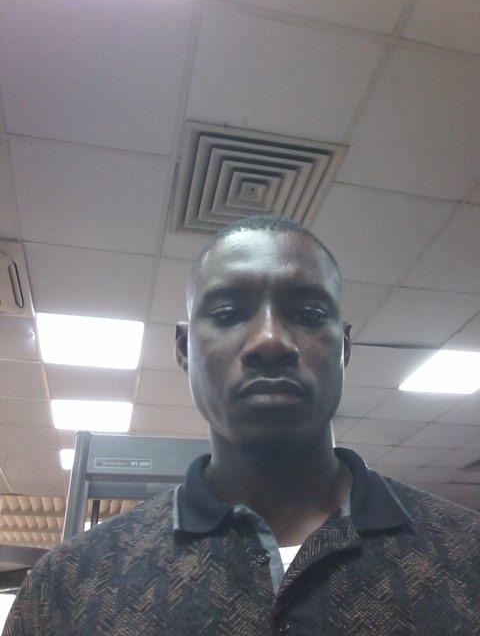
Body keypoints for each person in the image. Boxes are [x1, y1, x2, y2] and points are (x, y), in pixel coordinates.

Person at [4, 215, 480, 635]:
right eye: (229, 314)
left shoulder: (466, 555)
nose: (270, 340)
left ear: (345, 348)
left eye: (308, 315)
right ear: (184, 349)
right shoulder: (68, 586)